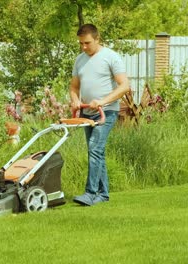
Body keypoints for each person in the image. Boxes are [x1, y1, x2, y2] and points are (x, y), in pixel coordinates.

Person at [69, 24, 130, 206]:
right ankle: (103, 194)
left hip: (106, 112)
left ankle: (90, 193)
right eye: (81, 43)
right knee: (97, 152)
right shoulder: (79, 60)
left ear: (97, 39)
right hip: (86, 112)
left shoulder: (111, 57)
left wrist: (102, 101)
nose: (84, 47)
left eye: (87, 43)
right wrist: (74, 100)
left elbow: (124, 86)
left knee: (95, 149)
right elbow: (74, 87)